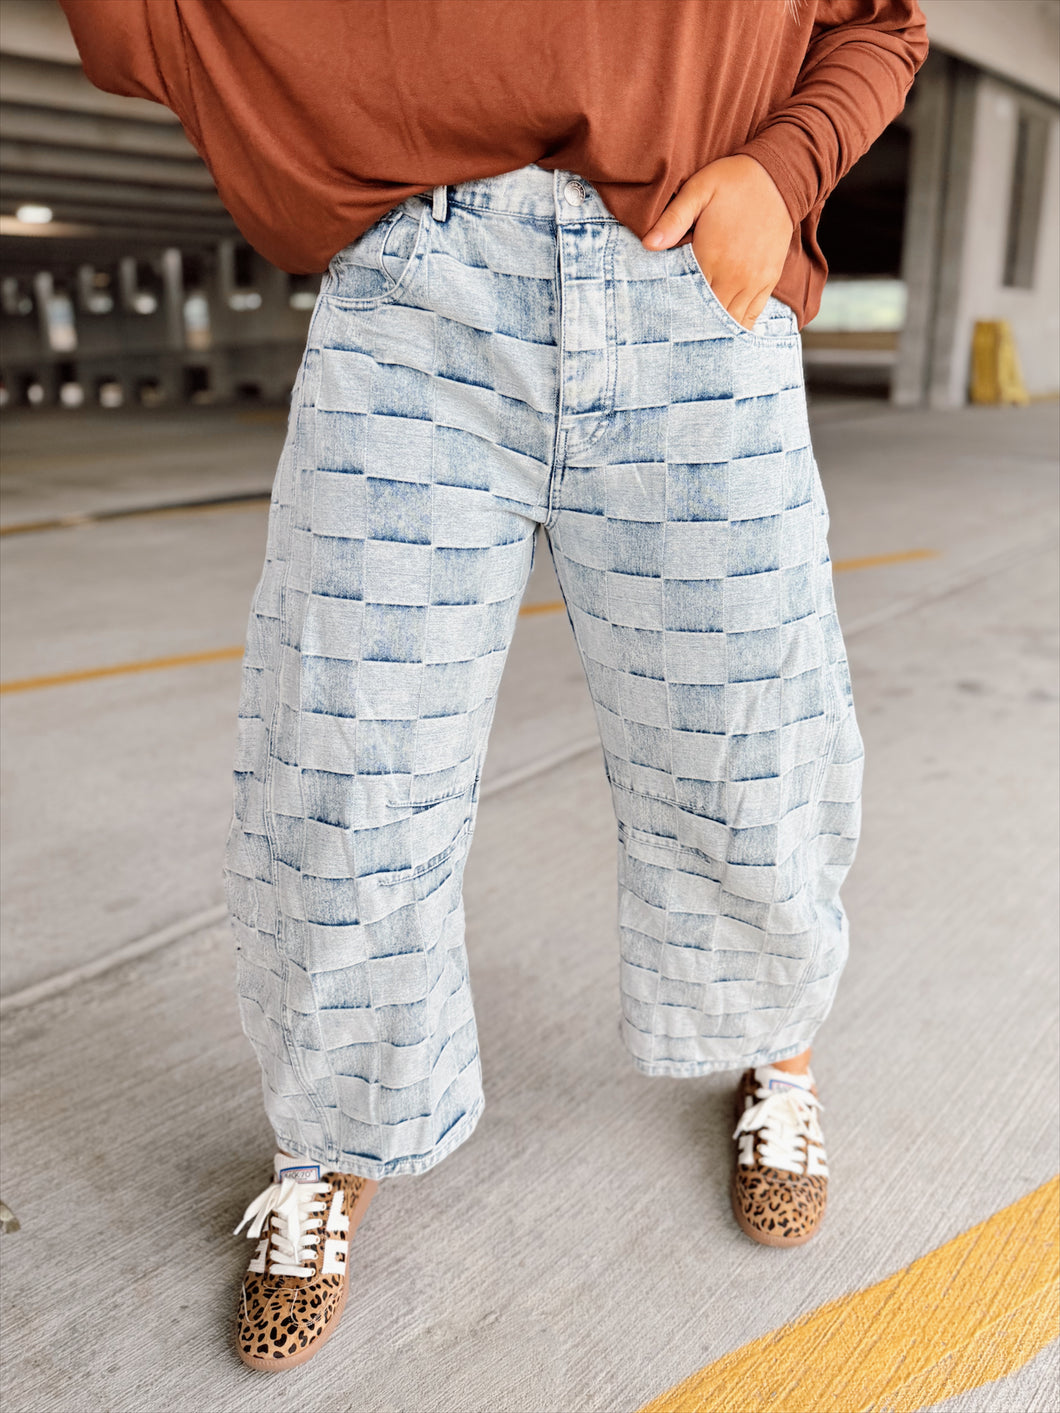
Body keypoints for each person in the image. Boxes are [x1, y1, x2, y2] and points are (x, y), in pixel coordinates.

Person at [61, 0, 928, 1373]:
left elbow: (881, 22)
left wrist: (784, 169)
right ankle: (333, 1137)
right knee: (346, 754)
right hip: (418, 292)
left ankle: (775, 1050)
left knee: (747, 732)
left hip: (691, 282)